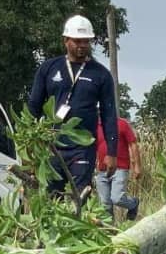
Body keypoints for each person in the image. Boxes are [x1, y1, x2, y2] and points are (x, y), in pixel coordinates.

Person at [29, 15, 118, 197]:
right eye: (77, 41)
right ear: (66, 41)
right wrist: (30, 143)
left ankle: (79, 221)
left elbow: (109, 114)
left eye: (86, 41)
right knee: (52, 197)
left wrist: (112, 152)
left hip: (83, 147)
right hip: (53, 145)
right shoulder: (49, 68)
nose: (82, 45)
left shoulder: (101, 74)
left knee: (81, 196)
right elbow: (34, 106)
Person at [95, 114, 141, 221]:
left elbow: (133, 144)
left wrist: (137, 166)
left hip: (120, 168)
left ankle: (133, 204)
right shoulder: (96, 127)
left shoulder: (122, 124)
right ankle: (110, 232)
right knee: (105, 205)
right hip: (102, 171)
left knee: (117, 198)